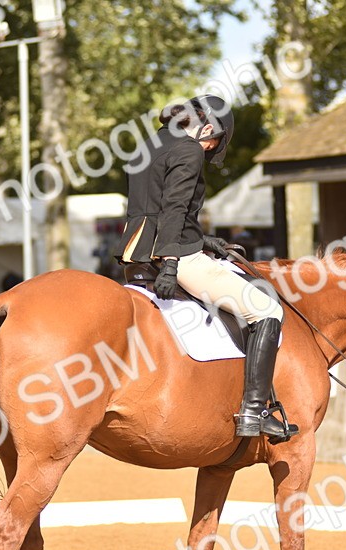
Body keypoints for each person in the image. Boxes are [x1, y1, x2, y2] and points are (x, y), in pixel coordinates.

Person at [113, 95, 298, 441]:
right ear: (208, 127)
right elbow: (173, 208)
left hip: (135, 253)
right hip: (171, 256)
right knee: (267, 309)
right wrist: (171, 261)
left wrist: (203, 239)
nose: (210, 149)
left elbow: (154, 206)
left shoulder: (149, 144)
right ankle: (254, 411)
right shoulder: (190, 150)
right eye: (215, 142)